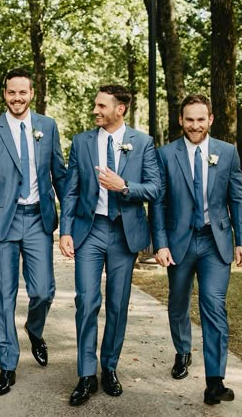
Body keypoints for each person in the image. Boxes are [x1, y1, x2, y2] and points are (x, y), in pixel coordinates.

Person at [59, 85, 161, 406]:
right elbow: (71, 190)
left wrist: (125, 186)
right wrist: (65, 231)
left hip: (124, 234)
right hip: (89, 231)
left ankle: (110, 368)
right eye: (95, 105)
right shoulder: (81, 142)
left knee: (117, 305)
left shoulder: (142, 143)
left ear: (121, 109)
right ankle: (86, 373)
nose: (95, 111)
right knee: (86, 301)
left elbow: (156, 188)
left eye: (102, 106)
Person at [151, 94, 242, 405]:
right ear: (180, 120)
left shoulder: (227, 152)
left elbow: (237, 198)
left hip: (215, 242)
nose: (195, 125)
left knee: (213, 305)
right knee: (178, 303)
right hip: (179, 242)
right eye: (189, 119)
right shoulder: (165, 155)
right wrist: (160, 243)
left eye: (200, 119)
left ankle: (214, 381)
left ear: (210, 120)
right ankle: (183, 352)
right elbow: (158, 203)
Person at [0, 68, 67, 396]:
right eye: (11, 93)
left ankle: (35, 328)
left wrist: (68, 222)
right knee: (4, 295)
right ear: (4, 94)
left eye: (22, 93)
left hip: (39, 220)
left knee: (43, 291)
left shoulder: (48, 127)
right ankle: (8, 365)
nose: (17, 98)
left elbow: (60, 175)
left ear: (31, 93)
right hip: (3, 224)